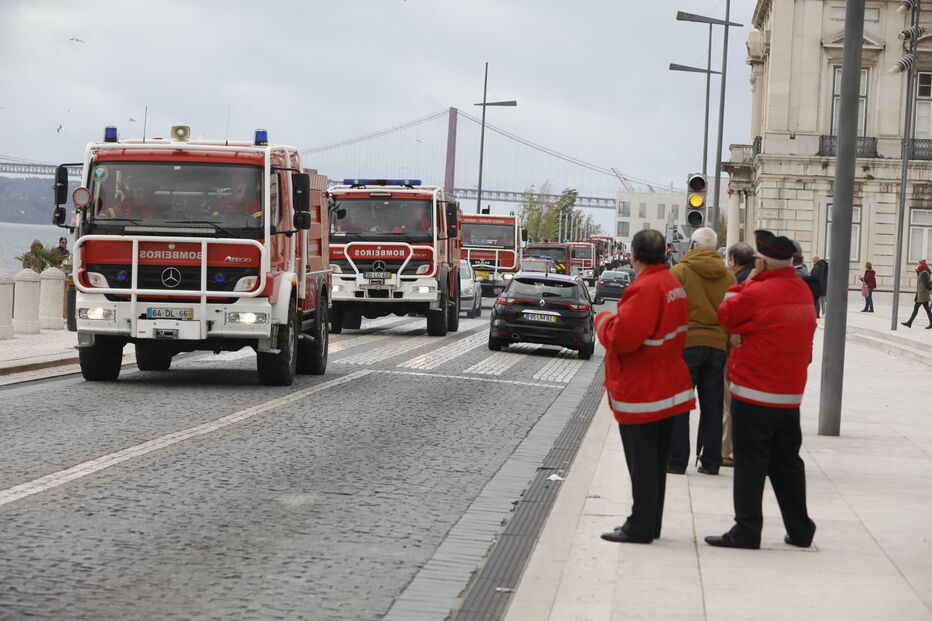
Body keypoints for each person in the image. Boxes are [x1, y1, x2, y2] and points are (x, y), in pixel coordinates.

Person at [705, 230, 817, 550]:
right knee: (787, 464)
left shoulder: (757, 291)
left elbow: (726, 314)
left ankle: (747, 529)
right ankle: (800, 529)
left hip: (754, 392)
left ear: (763, 264)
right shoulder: (802, 292)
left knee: (751, 464)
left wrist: (751, 281)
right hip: (789, 396)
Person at [596, 229, 695, 544]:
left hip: (643, 389)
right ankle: (651, 523)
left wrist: (603, 322)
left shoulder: (646, 288)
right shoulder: (671, 284)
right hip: (668, 384)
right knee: (656, 463)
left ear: (633, 255)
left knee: (642, 465)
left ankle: (639, 525)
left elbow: (622, 339)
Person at [666, 228, 735, 476]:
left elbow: (670, 310)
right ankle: (712, 461)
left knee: (680, 404)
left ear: (693, 244)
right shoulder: (728, 277)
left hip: (686, 346)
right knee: (714, 406)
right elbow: (732, 313)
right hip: (717, 346)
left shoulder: (679, 272)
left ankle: (676, 461)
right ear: (715, 247)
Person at [721, 241, 756, 468]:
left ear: (733, 260)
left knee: (729, 402)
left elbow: (727, 319)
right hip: (758, 355)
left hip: (736, 351)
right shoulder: (759, 280)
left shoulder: (737, 283)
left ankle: (727, 451)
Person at [901, 259, 932, 329]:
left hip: (922, 293)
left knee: (926, 308)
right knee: (917, 308)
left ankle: (910, 322)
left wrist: (930, 289)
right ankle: (909, 322)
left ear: (921, 265)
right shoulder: (924, 271)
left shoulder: (924, 272)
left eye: (919, 264)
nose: (918, 265)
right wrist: (918, 272)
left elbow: (927, 282)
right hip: (921, 293)